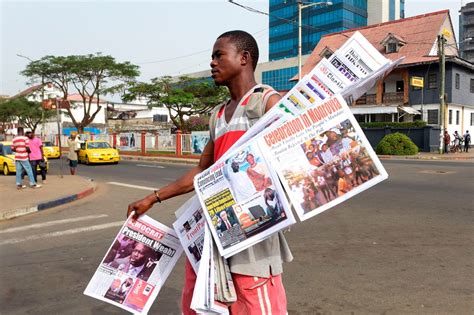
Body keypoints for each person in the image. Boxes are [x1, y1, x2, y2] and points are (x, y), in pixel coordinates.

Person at [128, 30, 291, 314]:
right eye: (212, 56)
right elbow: (203, 170)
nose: (213, 62)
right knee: (205, 302)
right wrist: (154, 198)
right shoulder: (218, 115)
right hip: (216, 229)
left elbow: (288, 163)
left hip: (253, 230)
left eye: (219, 55)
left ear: (244, 58)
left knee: (253, 300)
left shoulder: (266, 102)